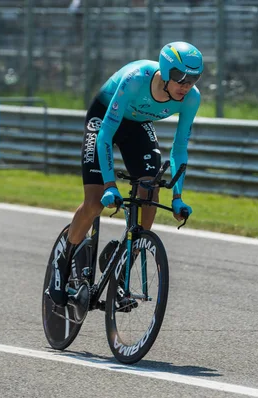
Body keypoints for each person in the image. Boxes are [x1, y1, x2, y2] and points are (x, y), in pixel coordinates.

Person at [47, 41, 203, 308]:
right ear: (166, 72)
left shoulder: (191, 98)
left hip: (137, 125)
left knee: (151, 187)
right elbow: (105, 134)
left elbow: (179, 149)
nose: (185, 85)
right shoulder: (135, 80)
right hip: (104, 119)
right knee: (95, 202)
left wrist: (177, 197)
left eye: (193, 79)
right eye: (180, 78)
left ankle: (122, 260)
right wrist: (109, 184)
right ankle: (63, 261)